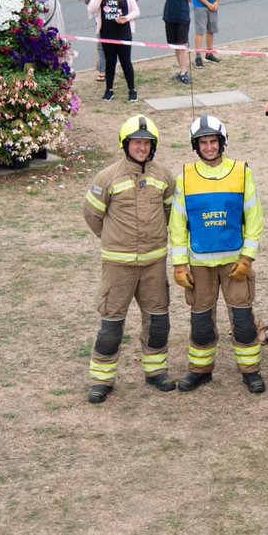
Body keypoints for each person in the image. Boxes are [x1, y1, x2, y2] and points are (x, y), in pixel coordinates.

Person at [82, 115, 177, 404]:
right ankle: (102, 380)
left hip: (153, 264)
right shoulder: (106, 177)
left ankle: (155, 371)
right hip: (118, 266)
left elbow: (169, 212)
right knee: (111, 326)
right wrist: (113, 239)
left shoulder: (164, 177)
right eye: (137, 142)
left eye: (147, 143)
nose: (142, 147)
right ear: (126, 144)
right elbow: (92, 215)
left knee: (158, 321)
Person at [169, 115, 266, 395]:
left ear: (222, 143)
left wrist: (247, 258)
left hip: (236, 263)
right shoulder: (185, 177)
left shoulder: (242, 172)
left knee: (243, 319)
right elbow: (177, 223)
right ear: (195, 146)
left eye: (213, 141)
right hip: (200, 265)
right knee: (200, 321)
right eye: (203, 142)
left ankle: (251, 372)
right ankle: (200, 372)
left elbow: (254, 216)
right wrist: (178, 264)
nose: (209, 147)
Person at [86, 0, 143, 82]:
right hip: (104, 25)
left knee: (124, 59)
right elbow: (92, 4)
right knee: (103, 52)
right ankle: (103, 73)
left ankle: (131, 88)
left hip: (122, 29)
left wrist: (125, 11)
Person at [159, 0, 193, 85]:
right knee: (174, 45)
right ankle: (181, 69)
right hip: (169, 17)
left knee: (182, 45)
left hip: (182, 18)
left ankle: (184, 72)